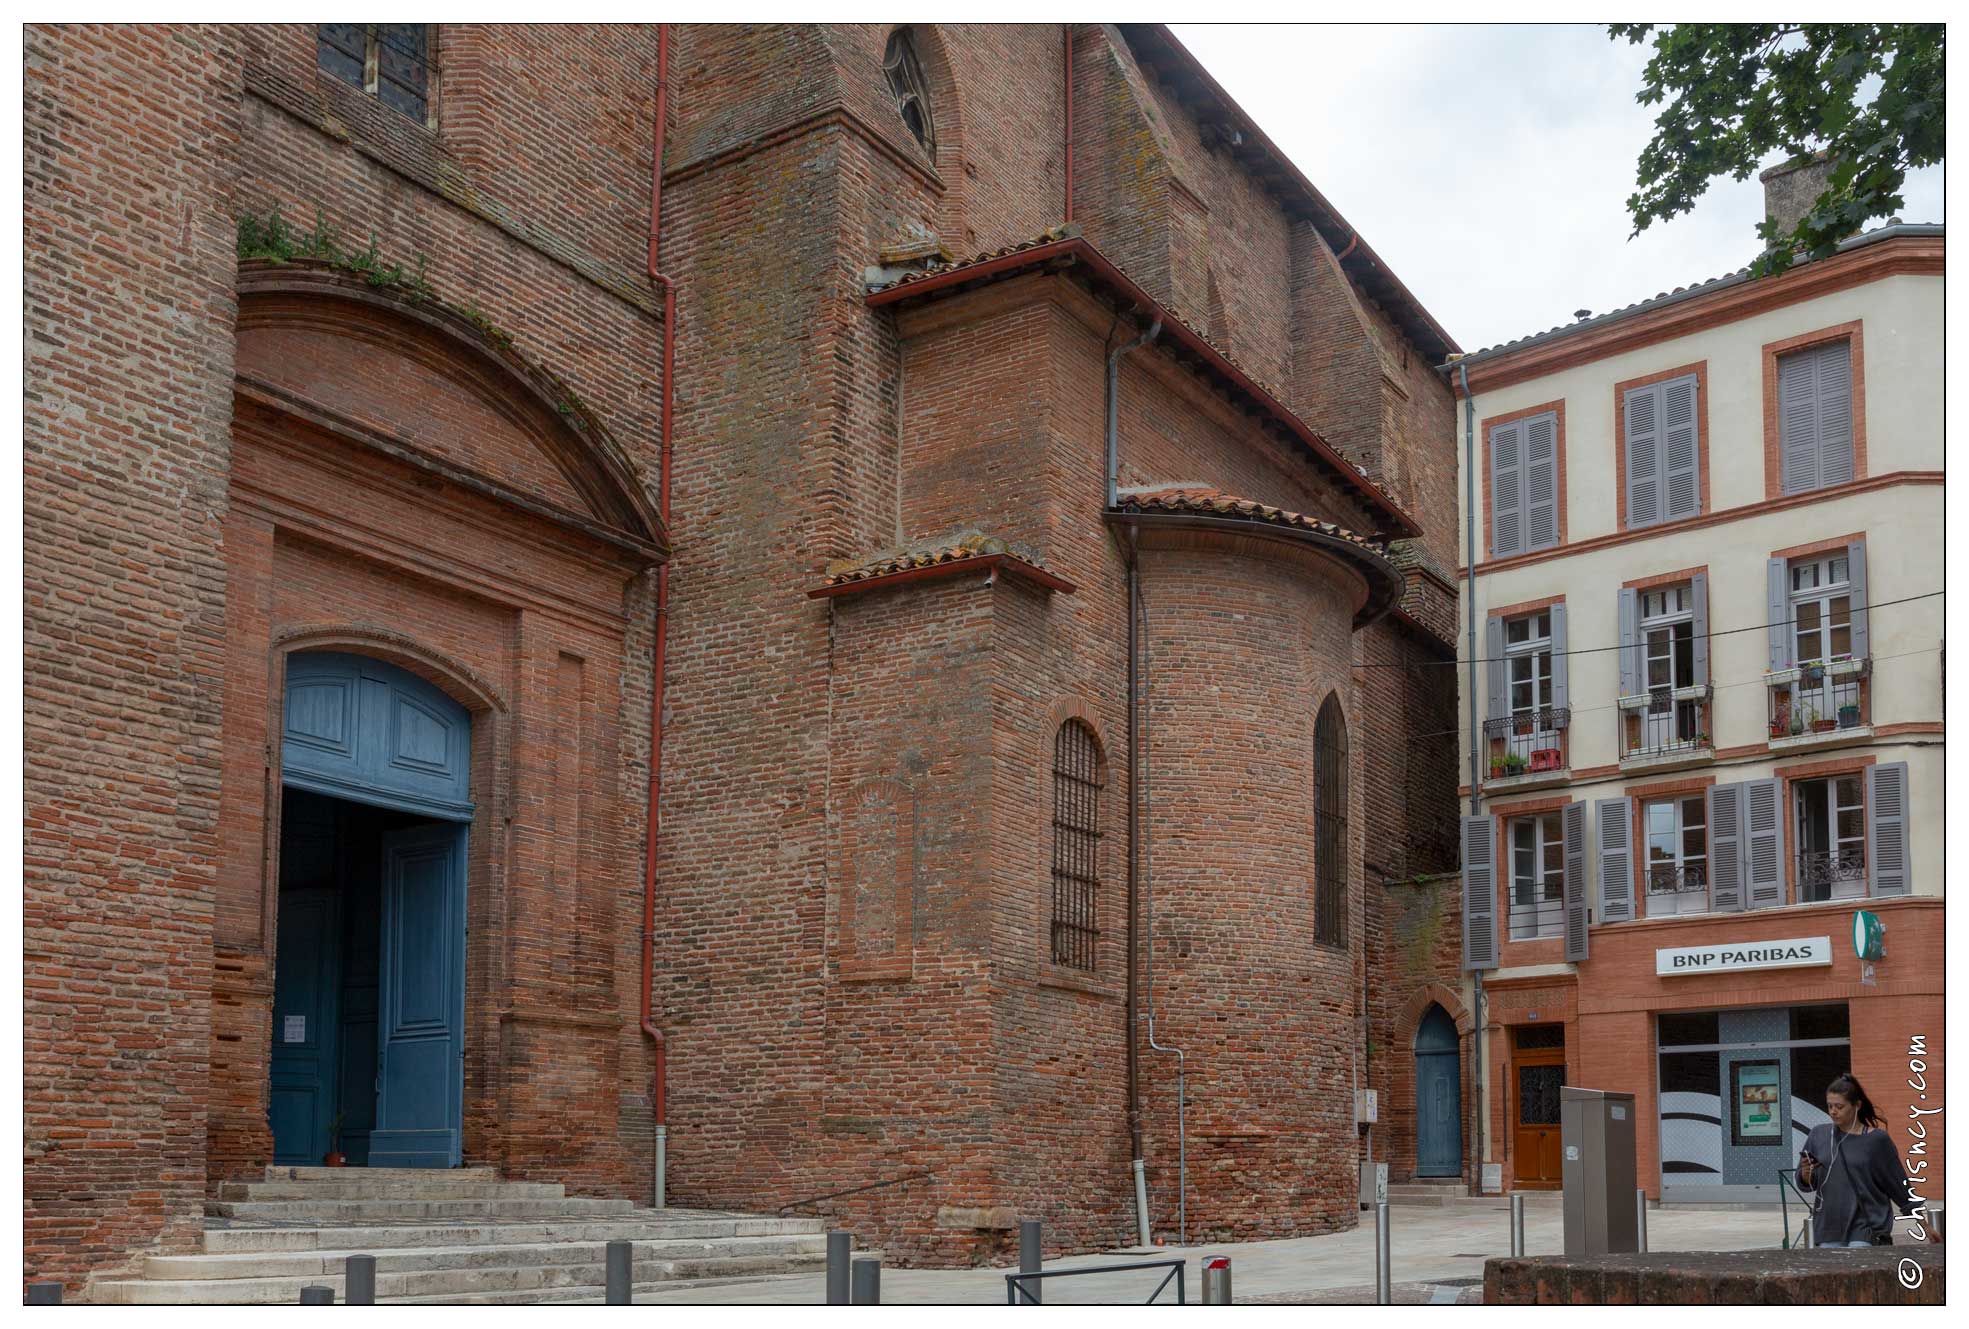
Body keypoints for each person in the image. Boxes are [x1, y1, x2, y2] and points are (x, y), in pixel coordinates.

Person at [1796, 1072, 1920, 1247]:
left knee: (1860, 1262)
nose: (1833, 1111)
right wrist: (1805, 1174)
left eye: (1839, 1106)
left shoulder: (1876, 1140)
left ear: (1857, 1105)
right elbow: (1807, 1184)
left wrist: (1924, 1223)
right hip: (1829, 1227)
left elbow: (1899, 1184)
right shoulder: (1818, 1134)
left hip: (1866, 1226)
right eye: (1829, 1106)